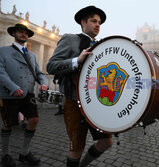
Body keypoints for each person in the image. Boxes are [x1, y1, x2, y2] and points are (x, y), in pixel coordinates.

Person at [46, 6, 113, 167]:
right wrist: (77, 60)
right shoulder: (70, 39)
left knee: (107, 142)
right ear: (83, 22)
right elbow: (51, 66)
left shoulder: (100, 45)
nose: (98, 25)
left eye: (100, 22)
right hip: (74, 102)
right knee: (76, 148)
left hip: (95, 102)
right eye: (94, 21)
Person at [0, 23, 48, 167]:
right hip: (10, 94)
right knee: (8, 124)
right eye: (20, 32)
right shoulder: (3, 51)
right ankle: (5, 154)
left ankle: (25, 152)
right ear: (14, 34)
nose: (23, 35)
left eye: (26, 33)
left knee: (34, 120)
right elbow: (0, 72)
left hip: (28, 94)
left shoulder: (31, 55)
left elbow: (38, 73)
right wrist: (13, 87)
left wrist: (43, 82)